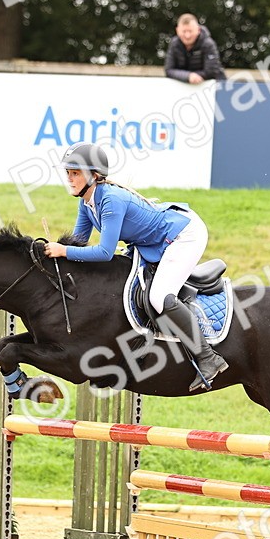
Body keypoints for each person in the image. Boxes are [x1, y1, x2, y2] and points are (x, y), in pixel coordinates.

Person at [43, 142, 228, 391]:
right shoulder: (86, 203)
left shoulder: (110, 200)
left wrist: (63, 250)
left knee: (160, 296)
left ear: (94, 176)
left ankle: (208, 358)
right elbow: (80, 244)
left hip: (183, 235)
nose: (70, 178)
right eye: (68, 173)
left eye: (75, 173)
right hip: (151, 241)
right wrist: (52, 257)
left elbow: (105, 252)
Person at [164, 13, 226, 84]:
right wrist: (188, 76)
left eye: (190, 31)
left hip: (214, 88)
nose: (187, 36)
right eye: (184, 31)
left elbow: (211, 72)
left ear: (198, 30)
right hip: (185, 87)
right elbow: (169, 70)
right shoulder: (174, 44)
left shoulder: (208, 44)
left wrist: (192, 77)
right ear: (177, 31)